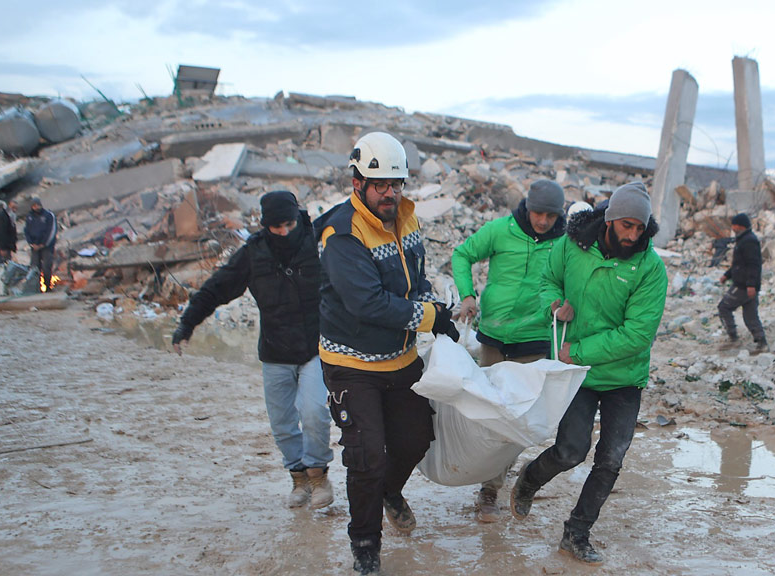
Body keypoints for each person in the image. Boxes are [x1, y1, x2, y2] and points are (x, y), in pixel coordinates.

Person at [314, 131, 458, 575]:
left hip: (400, 360)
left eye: (396, 184)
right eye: (380, 186)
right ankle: (365, 547)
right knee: (366, 457)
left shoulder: (408, 218)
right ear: (357, 183)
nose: (390, 193)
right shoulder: (341, 234)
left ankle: (390, 492)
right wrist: (431, 318)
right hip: (351, 363)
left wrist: (432, 303)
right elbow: (368, 303)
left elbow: (415, 280)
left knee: (415, 439)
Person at [509, 182, 667, 565]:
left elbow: (637, 334)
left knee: (611, 458)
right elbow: (549, 280)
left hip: (623, 377)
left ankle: (577, 532)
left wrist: (576, 350)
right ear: (610, 219)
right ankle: (529, 480)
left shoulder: (650, 268)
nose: (633, 235)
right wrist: (554, 305)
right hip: (576, 373)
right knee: (570, 451)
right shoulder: (571, 244)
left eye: (639, 228)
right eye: (626, 225)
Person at [171, 191, 334, 510]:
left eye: (288, 224)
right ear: (265, 225)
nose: (285, 232)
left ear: (296, 217)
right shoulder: (253, 253)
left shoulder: (316, 242)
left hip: (315, 345)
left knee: (315, 411)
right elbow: (216, 288)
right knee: (283, 423)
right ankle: (298, 478)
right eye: (277, 227)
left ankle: (318, 475)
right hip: (275, 351)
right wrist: (186, 325)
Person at [451, 178, 566, 523]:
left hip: (534, 339)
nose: (542, 221)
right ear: (526, 207)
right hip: (492, 337)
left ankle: (490, 489)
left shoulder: (563, 244)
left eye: (549, 215)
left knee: (514, 420)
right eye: (537, 213)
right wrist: (468, 293)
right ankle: (471, 470)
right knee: (483, 412)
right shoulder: (501, 230)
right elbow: (462, 254)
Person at [717, 212, 767, 352]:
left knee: (724, 308)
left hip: (744, 286)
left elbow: (753, 265)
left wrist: (751, 285)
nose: (732, 228)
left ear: (739, 226)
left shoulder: (749, 241)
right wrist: (727, 275)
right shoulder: (743, 239)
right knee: (750, 315)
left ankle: (733, 339)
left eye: (734, 225)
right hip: (746, 285)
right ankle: (762, 343)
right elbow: (739, 264)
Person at [23, 197, 56, 290]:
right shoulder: (29, 216)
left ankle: (48, 287)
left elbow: (51, 231)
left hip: (46, 246)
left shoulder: (48, 215)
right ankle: (36, 288)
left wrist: (43, 244)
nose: (36, 207)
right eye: (34, 206)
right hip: (34, 247)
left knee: (46, 267)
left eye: (37, 205)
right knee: (34, 268)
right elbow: (26, 231)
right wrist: (31, 244)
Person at [0, 198, 18, 263]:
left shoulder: (11, 217)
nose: (14, 210)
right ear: (9, 206)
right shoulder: (2, 217)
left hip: (7, 247)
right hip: (1, 247)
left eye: (16, 208)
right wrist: (2, 248)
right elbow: (0, 233)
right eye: (13, 207)